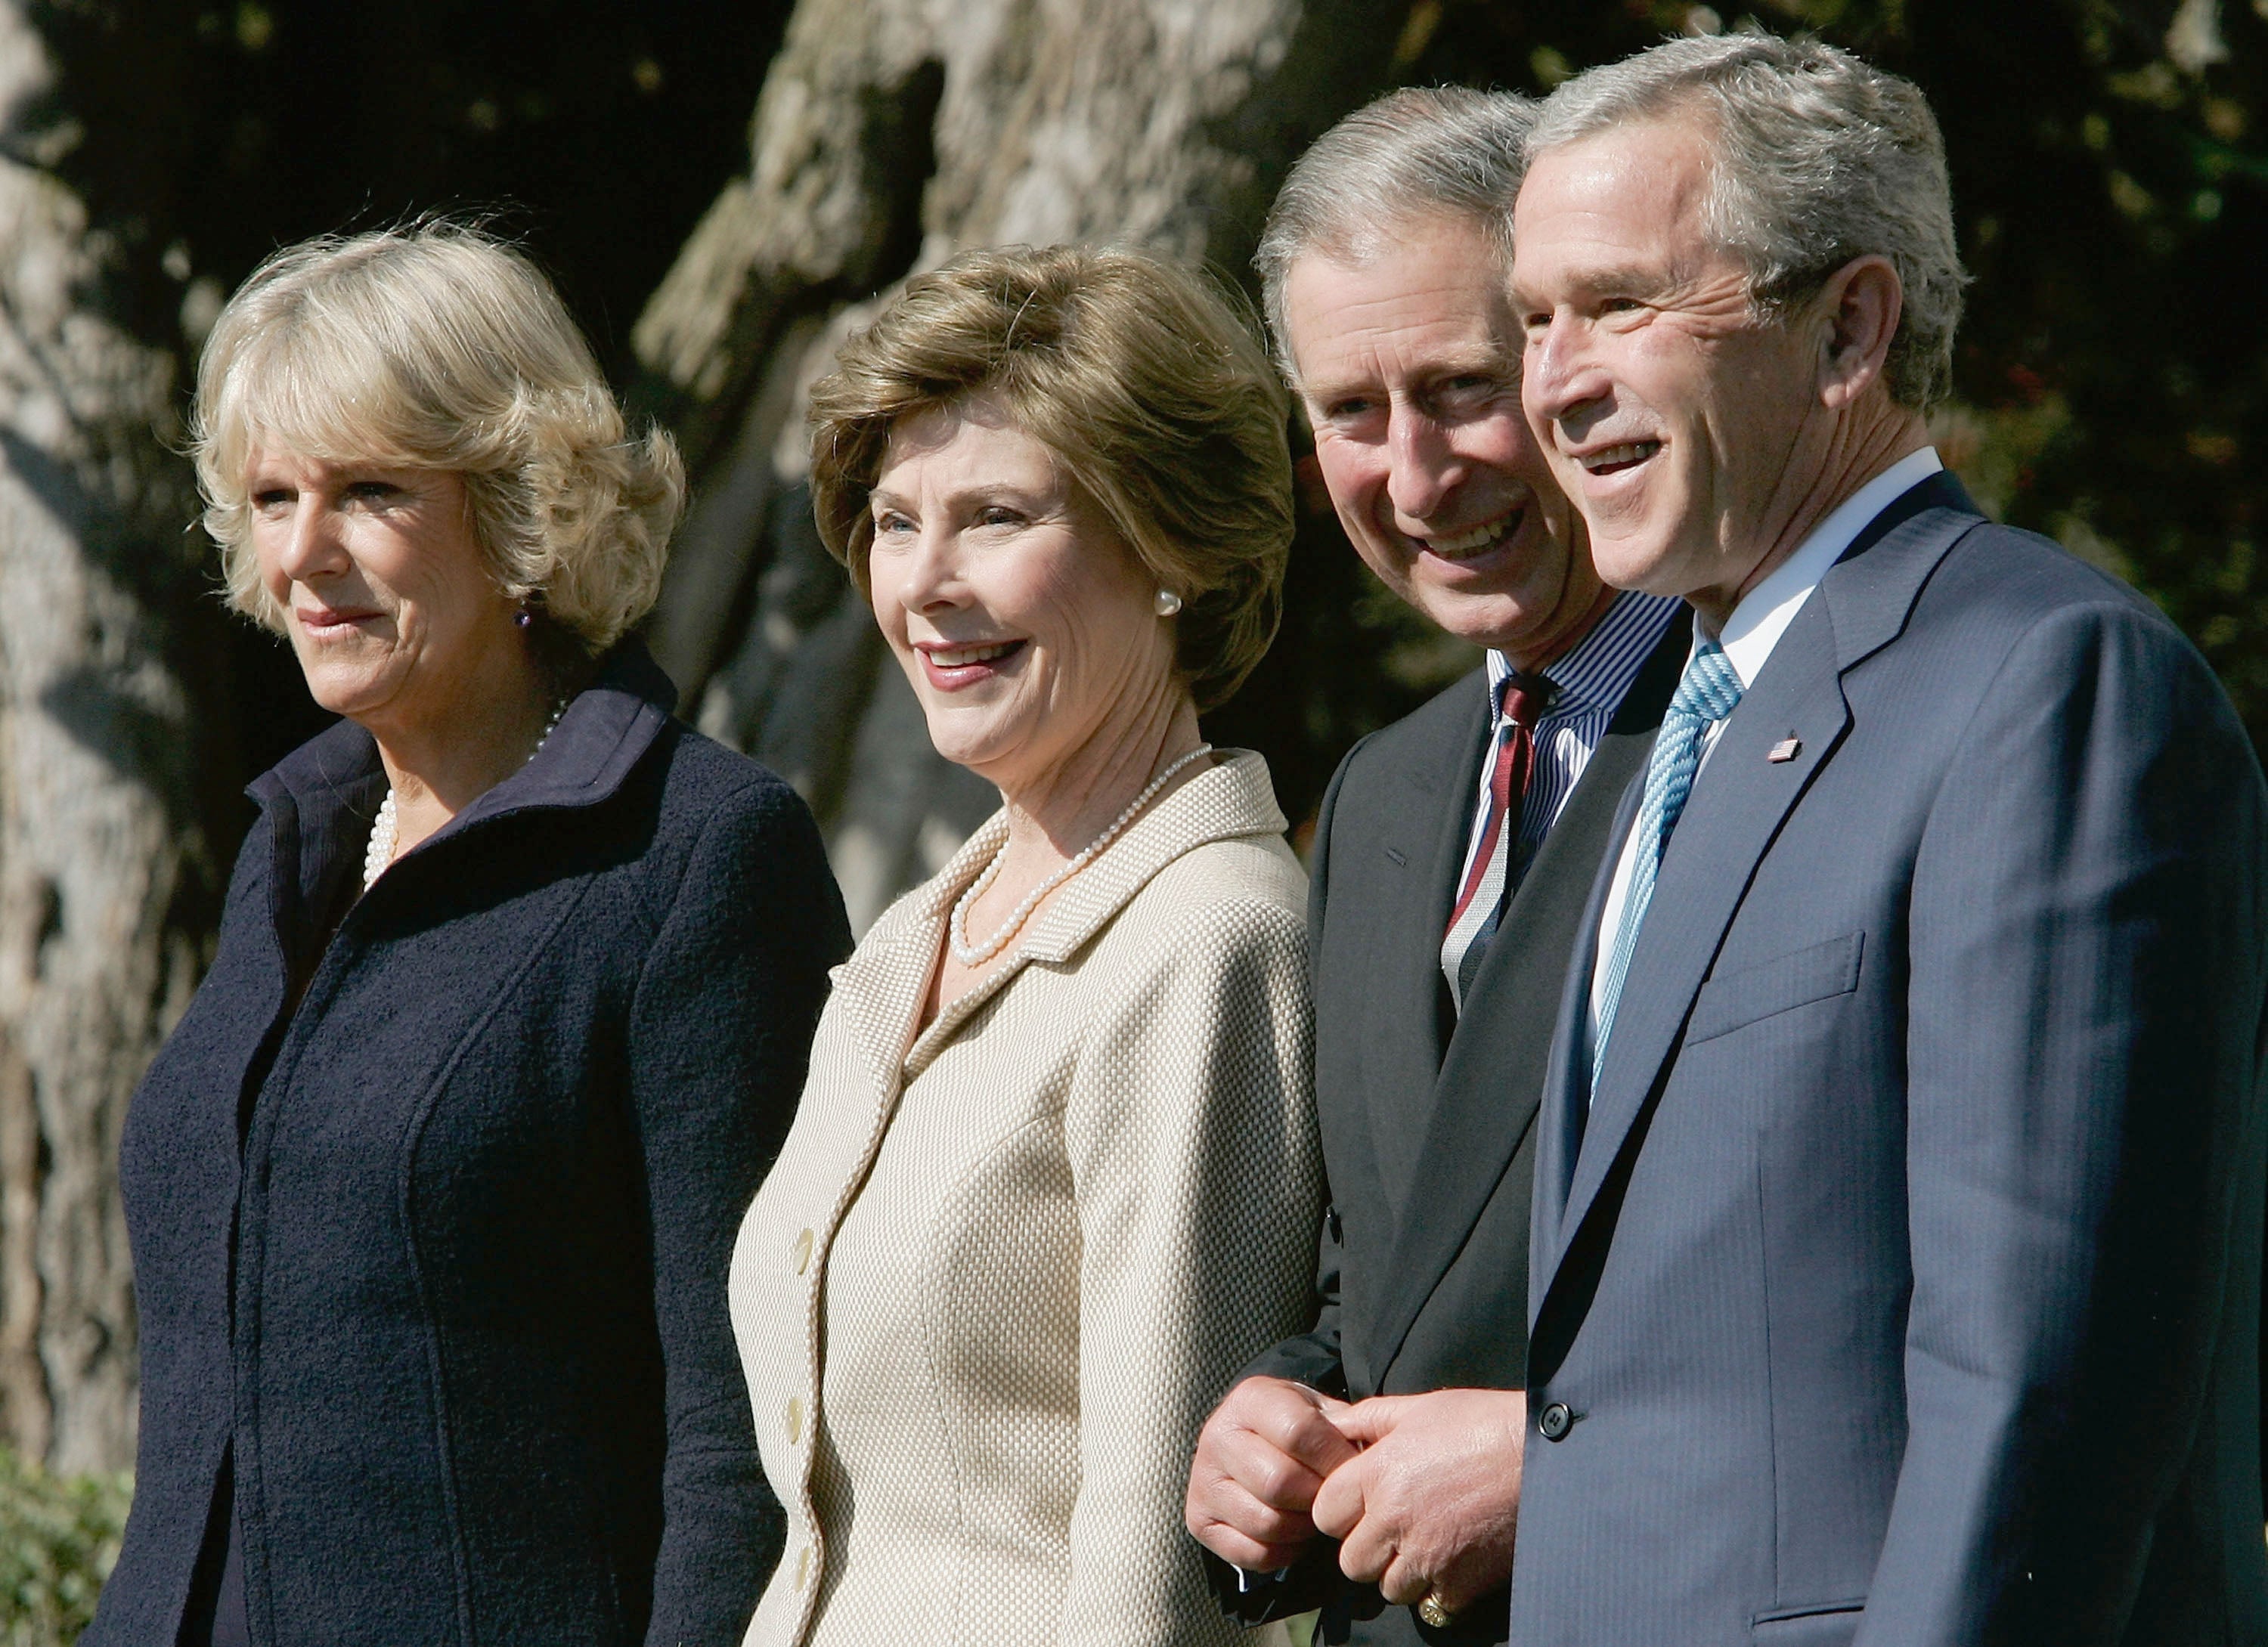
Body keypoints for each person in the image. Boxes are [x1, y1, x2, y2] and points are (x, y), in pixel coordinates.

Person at [1507, 31, 2268, 1643]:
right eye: (1533, 320)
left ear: (1848, 324)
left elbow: (2041, 1392)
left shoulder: (2047, 685)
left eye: (1622, 302)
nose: (1555, 386)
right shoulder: (1688, 718)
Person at [86, 223, 849, 1647]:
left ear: (524, 505)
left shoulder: (692, 853)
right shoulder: (291, 847)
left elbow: (743, 1434)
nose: (304, 553)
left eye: (370, 491)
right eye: (269, 497)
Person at [727, 243, 1322, 1647]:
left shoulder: (1205, 945)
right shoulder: (910, 938)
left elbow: (1157, 1569)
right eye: (892, 521)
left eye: (995, 517)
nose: (924, 583)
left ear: (1168, 545)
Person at [1182, 88, 1684, 1644]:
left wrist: (1561, 1469)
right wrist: (1273, 1422)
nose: (1413, 476)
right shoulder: (1384, 794)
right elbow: (1386, 1278)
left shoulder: (1768, 735)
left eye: (1463, 388)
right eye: (1348, 411)